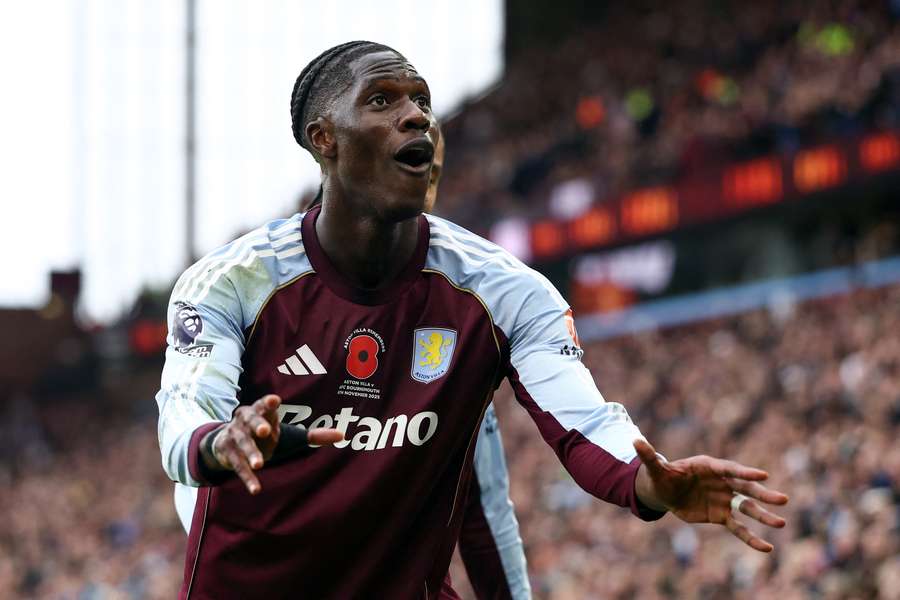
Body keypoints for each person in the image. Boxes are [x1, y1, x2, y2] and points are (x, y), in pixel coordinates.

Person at [156, 41, 788, 599]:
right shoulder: (234, 281)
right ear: (324, 138)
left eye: (421, 100)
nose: (415, 114)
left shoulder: (501, 293)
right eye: (381, 99)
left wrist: (649, 485)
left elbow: (580, 430)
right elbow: (185, 413)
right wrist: (217, 442)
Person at [171, 122, 531, 600]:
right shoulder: (260, 296)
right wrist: (213, 446)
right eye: (399, 164)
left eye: (430, 172)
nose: (419, 187)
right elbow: (192, 433)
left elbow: (486, 516)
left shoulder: (450, 332)